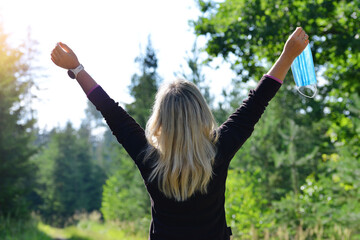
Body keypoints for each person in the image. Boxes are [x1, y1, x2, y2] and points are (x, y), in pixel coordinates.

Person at [51, 27, 309, 240]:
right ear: (201, 113)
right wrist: (288, 56)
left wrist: (77, 69)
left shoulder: (149, 158)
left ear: (160, 120)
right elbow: (257, 101)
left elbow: (110, 110)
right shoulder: (217, 151)